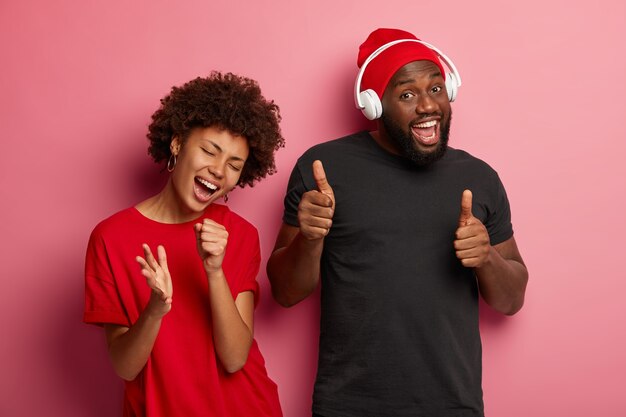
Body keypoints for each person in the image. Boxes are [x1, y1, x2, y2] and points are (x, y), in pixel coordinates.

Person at [266, 28, 528, 417]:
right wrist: (309, 238)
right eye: (407, 94)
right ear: (374, 105)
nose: (427, 106)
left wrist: (486, 256)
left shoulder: (480, 178)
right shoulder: (323, 169)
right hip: (348, 406)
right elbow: (285, 293)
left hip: (452, 405)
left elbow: (512, 300)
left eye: (436, 88)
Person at [84, 72, 285, 417]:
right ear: (177, 143)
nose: (219, 170)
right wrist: (155, 310)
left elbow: (236, 359)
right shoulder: (110, 237)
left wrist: (215, 271)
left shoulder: (238, 234)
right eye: (209, 150)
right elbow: (125, 366)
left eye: (234, 165)